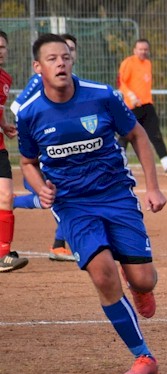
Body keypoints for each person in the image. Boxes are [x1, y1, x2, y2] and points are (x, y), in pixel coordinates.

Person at [16, 34, 166, 374]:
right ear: (38, 68)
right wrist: (41, 188)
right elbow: (27, 162)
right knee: (102, 273)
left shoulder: (102, 96)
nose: (61, 64)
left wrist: (154, 188)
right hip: (73, 204)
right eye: (51, 59)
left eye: (65, 57)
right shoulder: (29, 112)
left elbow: (138, 136)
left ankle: (140, 290)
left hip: (116, 195)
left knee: (143, 279)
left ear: (72, 61)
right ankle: (143, 356)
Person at [11, 33, 80, 262]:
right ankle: (7, 202)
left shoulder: (74, 83)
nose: (64, 58)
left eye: (70, 51)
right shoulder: (38, 81)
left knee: (58, 196)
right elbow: (16, 108)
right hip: (44, 153)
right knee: (57, 196)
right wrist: (36, 137)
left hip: (65, 153)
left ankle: (59, 246)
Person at [118, 38, 167, 177]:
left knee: (156, 135)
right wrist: (130, 95)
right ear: (135, 50)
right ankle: (116, 165)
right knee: (125, 136)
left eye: (145, 49)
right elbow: (121, 82)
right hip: (132, 107)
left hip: (147, 105)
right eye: (140, 49)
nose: (143, 52)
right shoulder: (128, 63)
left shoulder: (148, 64)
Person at [0, 30, 29, 273]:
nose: (0, 50)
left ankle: (3, 254)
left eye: (2, 46)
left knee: (6, 196)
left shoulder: (5, 78)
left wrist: (4, 125)